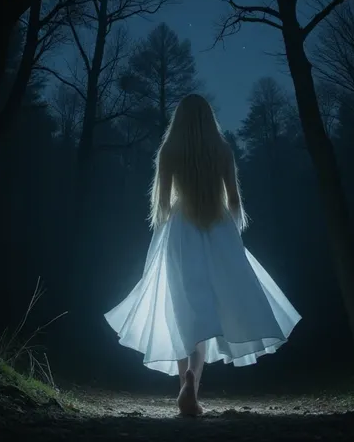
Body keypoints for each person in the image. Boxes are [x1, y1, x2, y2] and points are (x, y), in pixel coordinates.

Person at [104, 94, 301, 417]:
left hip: (181, 229)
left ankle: (186, 385)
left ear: (178, 120)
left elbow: (163, 204)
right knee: (211, 303)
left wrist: (167, 235)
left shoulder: (170, 151)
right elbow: (235, 201)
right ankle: (193, 387)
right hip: (217, 225)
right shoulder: (222, 150)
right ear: (210, 118)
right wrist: (230, 233)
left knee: (184, 307)